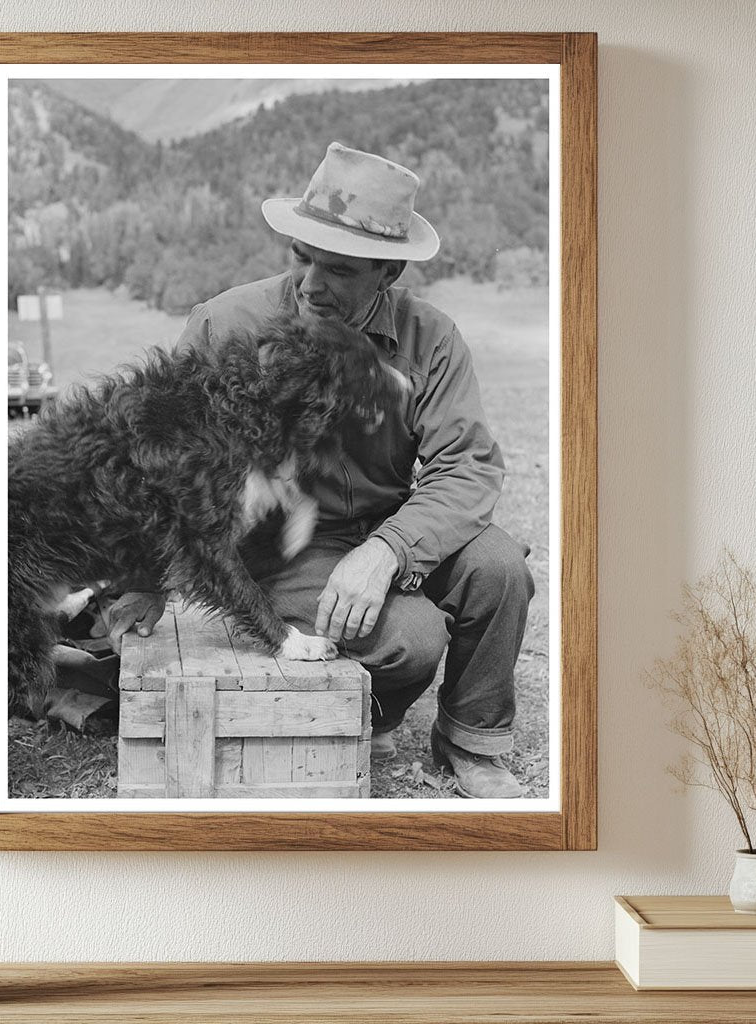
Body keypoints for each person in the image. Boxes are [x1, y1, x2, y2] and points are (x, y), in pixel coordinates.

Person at [117, 141, 535, 799]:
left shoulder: (433, 338)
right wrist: (145, 578)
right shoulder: (227, 323)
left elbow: (468, 466)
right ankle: (370, 711)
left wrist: (389, 549)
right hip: (281, 548)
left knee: (500, 567)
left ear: (389, 273)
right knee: (414, 638)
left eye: (340, 270)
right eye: (302, 258)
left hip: (390, 525)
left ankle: (471, 743)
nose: (313, 285)